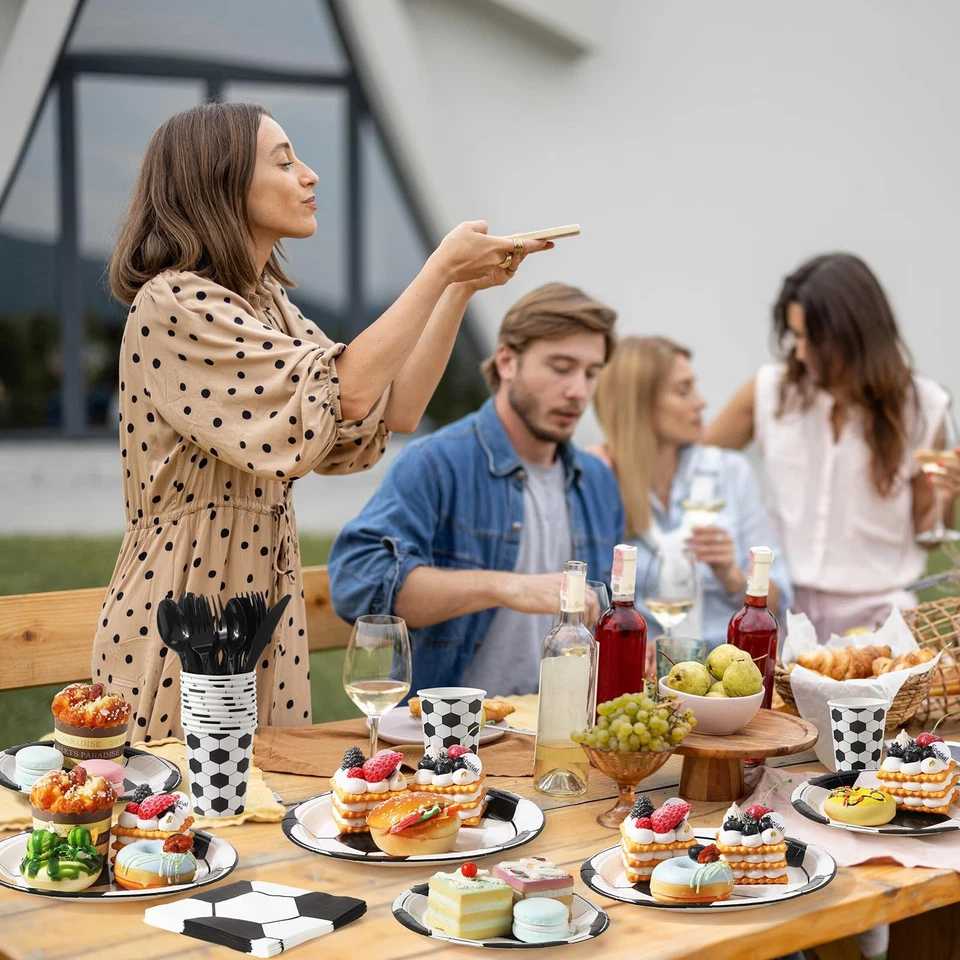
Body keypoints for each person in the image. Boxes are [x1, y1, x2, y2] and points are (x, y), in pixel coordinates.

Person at [92, 102, 549, 741]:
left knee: (256, 809)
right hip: (185, 607)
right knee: (174, 821)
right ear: (219, 182)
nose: (309, 176)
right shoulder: (172, 303)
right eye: (283, 161)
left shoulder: (267, 306)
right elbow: (349, 389)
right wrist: (438, 267)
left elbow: (391, 407)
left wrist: (459, 290)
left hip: (257, 599)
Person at [328, 283, 624, 696]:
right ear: (506, 360)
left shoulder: (598, 480)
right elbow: (357, 584)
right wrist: (508, 586)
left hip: (569, 730)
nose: (578, 391)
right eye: (561, 367)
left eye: (591, 373)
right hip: (451, 738)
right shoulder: (436, 462)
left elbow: (619, 609)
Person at [705, 252, 960, 642]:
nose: (800, 351)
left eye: (813, 339)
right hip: (779, 610)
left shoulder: (925, 407)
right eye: (796, 335)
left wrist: (948, 494)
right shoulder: (770, 390)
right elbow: (696, 464)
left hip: (879, 620)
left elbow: (929, 534)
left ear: (856, 337)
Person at [591, 336, 792, 650]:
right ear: (638, 403)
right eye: (683, 391)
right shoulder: (597, 480)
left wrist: (733, 576)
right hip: (643, 674)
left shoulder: (729, 471)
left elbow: (781, 602)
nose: (700, 402)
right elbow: (589, 602)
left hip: (729, 670)